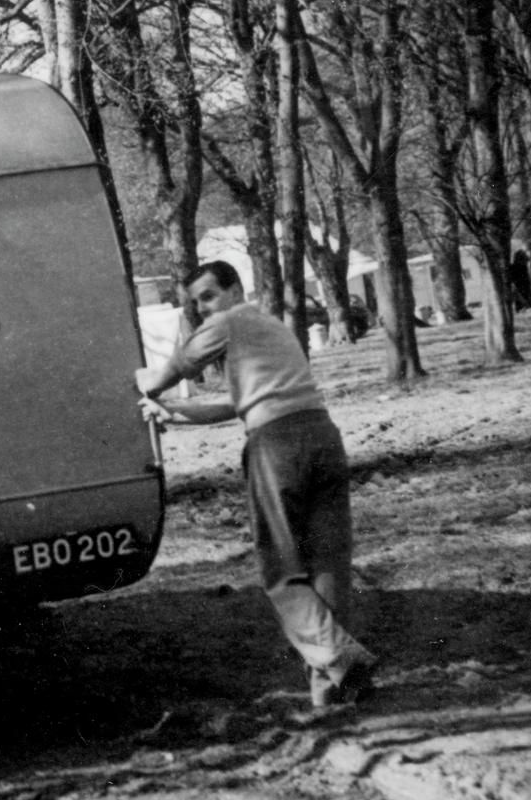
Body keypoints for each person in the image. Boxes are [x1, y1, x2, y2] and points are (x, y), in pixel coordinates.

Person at [136, 259, 374, 710]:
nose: (203, 308)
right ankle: (333, 688)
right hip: (323, 436)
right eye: (195, 303)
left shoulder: (230, 321)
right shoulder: (270, 328)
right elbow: (238, 402)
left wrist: (147, 386)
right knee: (327, 563)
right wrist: (177, 413)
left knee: (282, 570)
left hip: (277, 447)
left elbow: (180, 364)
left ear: (234, 289)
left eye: (208, 296)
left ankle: (342, 657)